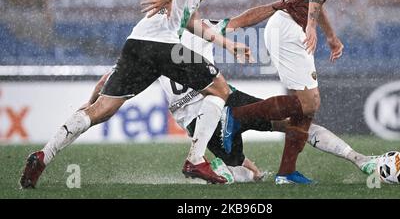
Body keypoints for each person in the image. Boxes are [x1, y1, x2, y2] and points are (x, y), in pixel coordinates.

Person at [20, 0, 251, 188]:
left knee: (101, 110)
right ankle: (196, 159)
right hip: (163, 46)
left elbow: (188, 21)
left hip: (138, 41)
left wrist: (227, 44)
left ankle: (43, 155)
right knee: (221, 90)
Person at [81, 10, 379, 184]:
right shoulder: (202, 28)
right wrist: (276, 6)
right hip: (222, 105)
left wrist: (92, 103)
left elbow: (109, 79)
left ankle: (358, 159)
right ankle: (359, 160)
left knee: (248, 167)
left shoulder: (151, 47)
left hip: (205, 123)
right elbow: (242, 20)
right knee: (284, 131)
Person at [221, 0, 385, 184]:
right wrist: (310, 25)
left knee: (306, 107)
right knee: (309, 103)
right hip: (288, 26)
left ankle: (286, 173)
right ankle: (236, 117)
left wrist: (331, 35)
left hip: (287, 25)